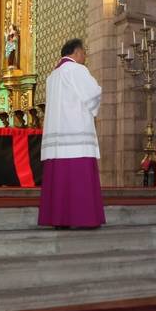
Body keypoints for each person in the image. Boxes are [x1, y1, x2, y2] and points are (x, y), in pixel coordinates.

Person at [39, 38, 104, 228]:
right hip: (76, 132)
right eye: (84, 52)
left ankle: (59, 219)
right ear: (76, 52)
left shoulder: (52, 76)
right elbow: (93, 94)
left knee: (59, 178)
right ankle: (83, 218)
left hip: (58, 136)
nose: (85, 56)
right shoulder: (77, 70)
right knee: (79, 177)